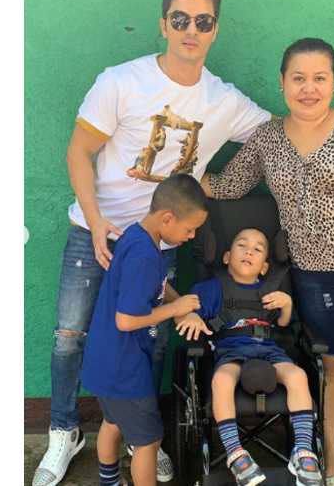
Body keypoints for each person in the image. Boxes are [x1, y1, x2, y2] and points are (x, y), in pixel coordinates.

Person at [33, 0, 334, 485]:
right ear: (163, 25)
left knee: (152, 340)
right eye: (180, 19)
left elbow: (287, 127)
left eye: (203, 21)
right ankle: (64, 430)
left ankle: (142, 436)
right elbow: (78, 152)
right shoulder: (121, 81)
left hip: (161, 241)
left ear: (215, 29)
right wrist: (97, 217)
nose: (190, 29)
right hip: (96, 231)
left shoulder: (224, 100)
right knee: (70, 335)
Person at [201, 38, 334, 486]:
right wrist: (177, 169)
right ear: (282, 83)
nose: (308, 88)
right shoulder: (268, 138)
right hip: (312, 275)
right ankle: (328, 448)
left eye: (320, 78)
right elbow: (227, 185)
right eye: (298, 78)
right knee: (331, 364)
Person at [79, 174, 208, 486]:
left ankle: (110, 483)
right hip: (125, 368)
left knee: (112, 424)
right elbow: (126, 320)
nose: (192, 236)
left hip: (105, 360)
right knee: (149, 442)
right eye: (189, 229)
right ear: (167, 218)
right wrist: (174, 310)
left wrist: (181, 307)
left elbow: (158, 286)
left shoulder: (138, 238)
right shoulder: (145, 257)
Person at [177, 228, 324, 486]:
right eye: (242, 245)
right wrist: (191, 316)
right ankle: (235, 453)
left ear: (265, 266)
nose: (249, 251)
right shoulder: (212, 288)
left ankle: (302, 450)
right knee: (222, 379)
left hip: (269, 350)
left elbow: (283, 327)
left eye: (258, 249)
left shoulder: (271, 289)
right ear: (226, 257)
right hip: (231, 352)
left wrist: (287, 305)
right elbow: (189, 308)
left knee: (298, 375)